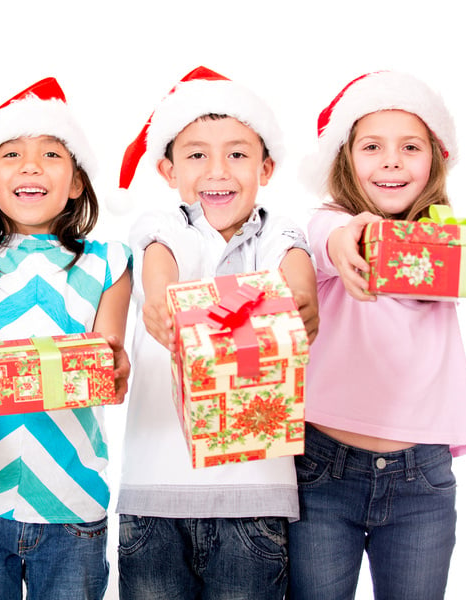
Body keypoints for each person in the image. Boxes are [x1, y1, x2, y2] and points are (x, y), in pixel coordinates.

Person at [287, 70, 466, 599]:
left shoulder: (445, 243)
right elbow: (322, 237)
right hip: (323, 467)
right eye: (372, 146)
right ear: (346, 160)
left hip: (421, 474)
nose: (392, 160)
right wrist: (343, 243)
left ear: (433, 160)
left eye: (410, 147)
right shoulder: (330, 226)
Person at [113, 66, 319, 599]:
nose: (218, 170)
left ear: (266, 168)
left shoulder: (277, 231)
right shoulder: (162, 226)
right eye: (197, 155)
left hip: (256, 499)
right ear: (168, 169)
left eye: (237, 153)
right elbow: (160, 254)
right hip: (155, 496)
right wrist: (161, 301)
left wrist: (301, 298)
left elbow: (294, 260)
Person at [0, 77, 132, 600]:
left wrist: (113, 366)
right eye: (12, 154)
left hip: (74, 502)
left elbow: (104, 358)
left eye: (50, 154)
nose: (31, 165)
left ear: (76, 183)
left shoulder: (109, 262)